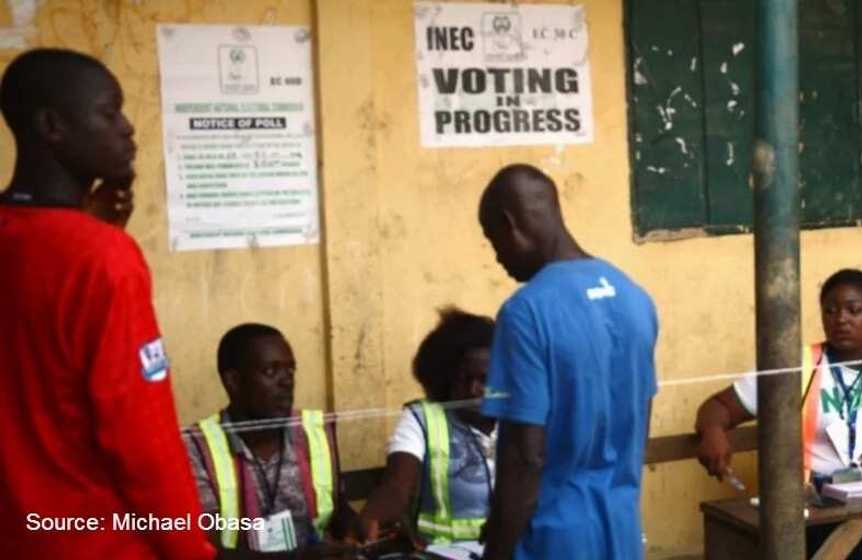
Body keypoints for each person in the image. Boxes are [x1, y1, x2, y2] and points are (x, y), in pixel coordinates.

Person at [0, 48, 214, 559]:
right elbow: (143, 443)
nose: (128, 128)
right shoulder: (104, 260)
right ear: (52, 126)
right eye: (108, 112)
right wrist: (190, 550)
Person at [694, 268, 862, 558]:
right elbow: (718, 407)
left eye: (854, 310)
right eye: (830, 310)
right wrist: (712, 431)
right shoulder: (793, 367)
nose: (841, 319)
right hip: (820, 509)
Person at [476, 164, 659, 560]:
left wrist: (497, 551)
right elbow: (638, 431)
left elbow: (525, 457)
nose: (498, 259)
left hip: (553, 540)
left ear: (510, 225)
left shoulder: (525, 313)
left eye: (494, 242)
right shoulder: (635, 298)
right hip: (623, 531)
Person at [184, 323, 357, 555]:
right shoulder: (198, 447)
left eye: (290, 371)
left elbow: (338, 508)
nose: (287, 382)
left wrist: (355, 528)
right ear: (233, 382)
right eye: (270, 371)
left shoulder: (314, 431)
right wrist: (300, 557)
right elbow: (209, 545)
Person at [357, 307, 496, 547]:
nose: (474, 390)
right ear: (444, 377)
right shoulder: (422, 417)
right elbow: (397, 485)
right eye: (463, 379)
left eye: (485, 379)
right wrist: (373, 517)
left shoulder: (522, 419)